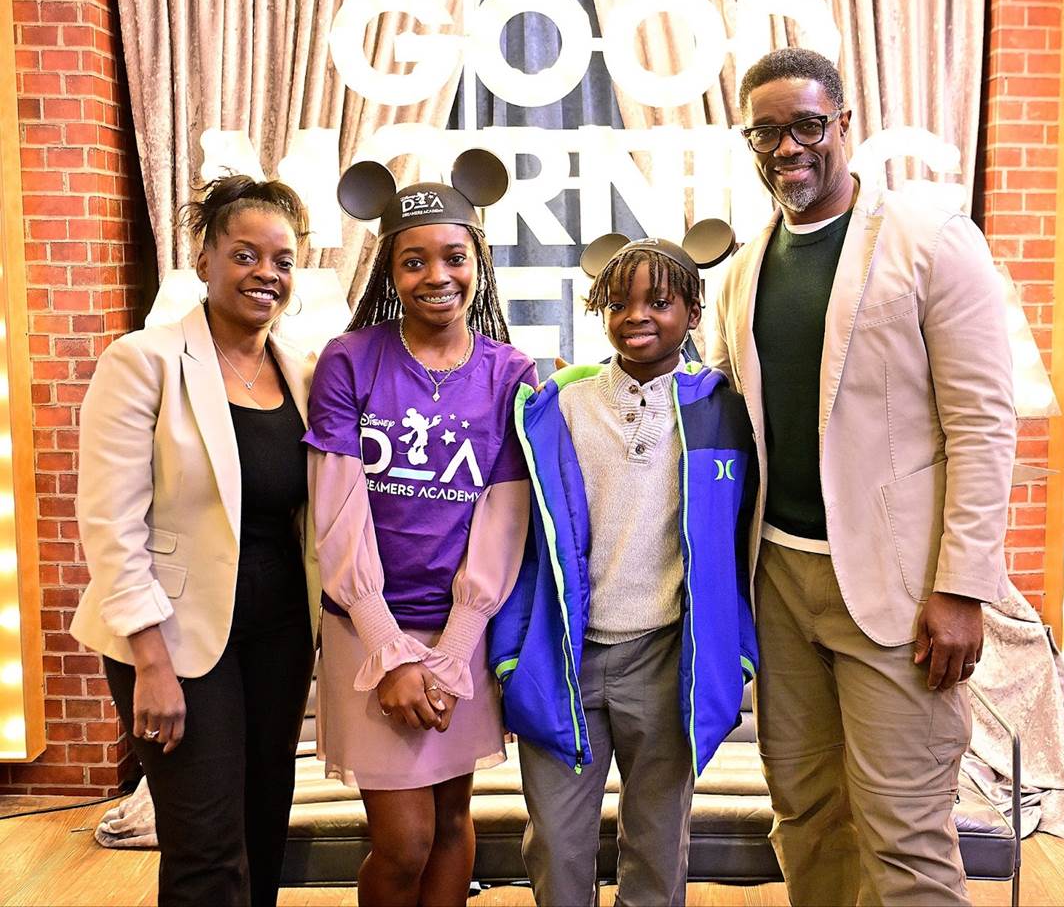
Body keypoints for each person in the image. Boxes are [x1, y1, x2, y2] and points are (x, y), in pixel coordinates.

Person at [703, 47, 1017, 905]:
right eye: (766, 132)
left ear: (844, 124)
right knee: (805, 816)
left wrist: (962, 588)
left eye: (807, 126)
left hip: (898, 592)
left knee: (904, 837)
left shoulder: (931, 239)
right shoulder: (745, 267)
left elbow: (984, 425)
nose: (788, 147)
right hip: (779, 580)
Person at [489, 225, 760, 907]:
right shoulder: (557, 407)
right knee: (555, 843)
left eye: (659, 302)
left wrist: (739, 654)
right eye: (619, 302)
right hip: (566, 656)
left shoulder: (725, 413)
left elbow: (740, 547)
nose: (636, 316)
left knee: (657, 847)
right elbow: (523, 542)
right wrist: (510, 656)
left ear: (692, 314)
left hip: (668, 658)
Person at [70, 176, 320, 906]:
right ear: (204, 258)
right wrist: (150, 660)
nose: (265, 273)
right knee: (205, 847)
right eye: (245, 255)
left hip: (278, 635)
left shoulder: (302, 371)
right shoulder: (142, 361)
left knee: (264, 828)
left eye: (282, 260)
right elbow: (111, 525)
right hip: (173, 640)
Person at [305, 151, 536, 907]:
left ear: (479, 262)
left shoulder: (511, 372)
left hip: (460, 634)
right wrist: (389, 651)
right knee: (402, 843)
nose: (437, 275)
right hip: (367, 628)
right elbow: (336, 509)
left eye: (454, 257)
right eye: (414, 262)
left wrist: (455, 651)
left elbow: (504, 516)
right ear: (390, 271)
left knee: (451, 821)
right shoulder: (349, 361)